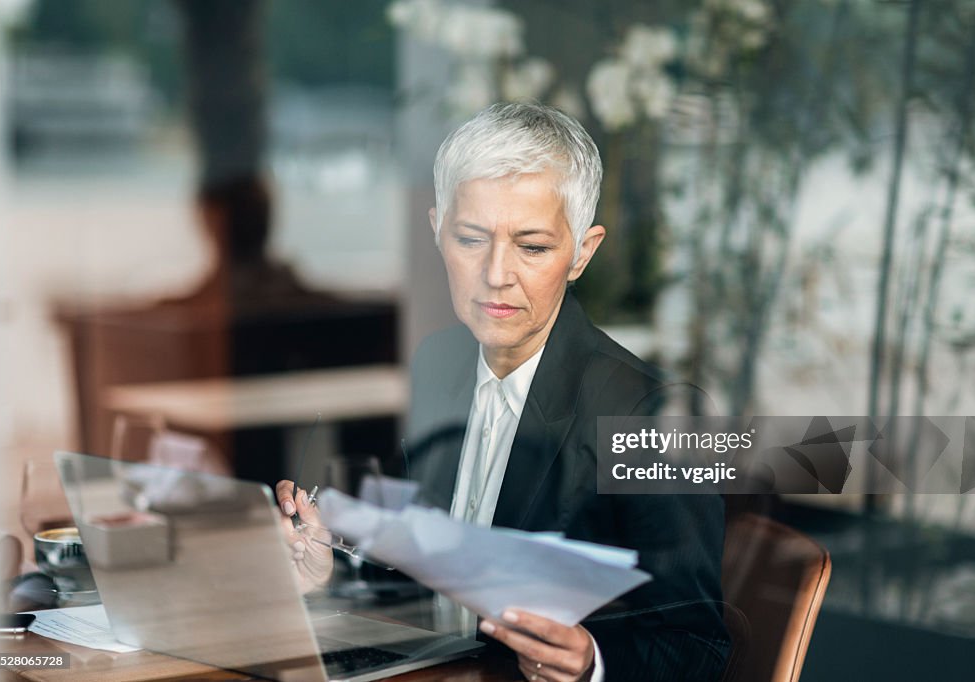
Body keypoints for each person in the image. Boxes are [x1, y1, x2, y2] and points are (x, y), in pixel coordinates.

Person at [277, 102, 729, 681]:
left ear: (582, 254)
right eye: (471, 238)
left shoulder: (652, 417)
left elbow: (700, 647)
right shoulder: (438, 363)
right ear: (437, 229)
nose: (496, 273)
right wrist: (328, 569)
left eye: (533, 247)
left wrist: (592, 662)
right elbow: (422, 575)